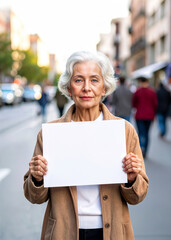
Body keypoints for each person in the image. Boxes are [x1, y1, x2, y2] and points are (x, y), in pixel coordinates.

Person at [24, 51, 149, 240]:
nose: (87, 88)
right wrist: (37, 178)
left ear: (104, 87)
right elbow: (34, 196)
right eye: (79, 80)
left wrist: (131, 179)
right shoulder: (50, 134)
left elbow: (137, 196)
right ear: (68, 87)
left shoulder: (124, 131)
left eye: (94, 80)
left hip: (112, 232)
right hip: (62, 233)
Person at [132, 76, 157, 158]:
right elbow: (155, 104)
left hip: (139, 115)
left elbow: (134, 103)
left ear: (140, 82)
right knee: (146, 133)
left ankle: (139, 149)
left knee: (140, 133)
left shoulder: (138, 91)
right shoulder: (152, 92)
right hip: (149, 115)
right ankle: (145, 150)